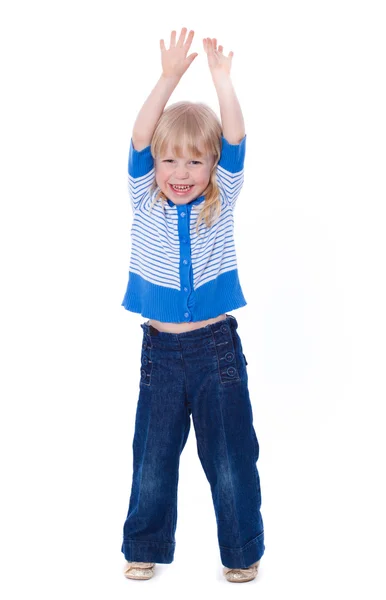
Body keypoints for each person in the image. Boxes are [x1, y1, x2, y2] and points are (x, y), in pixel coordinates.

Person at [121, 27, 265, 583]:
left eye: (195, 164)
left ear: (211, 168)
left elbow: (235, 139)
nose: (182, 175)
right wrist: (168, 78)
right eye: (171, 162)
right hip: (160, 354)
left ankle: (241, 549)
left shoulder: (221, 199)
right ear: (156, 165)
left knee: (230, 457)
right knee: (153, 458)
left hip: (216, 352)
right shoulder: (143, 196)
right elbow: (138, 137)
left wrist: (222, 81)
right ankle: (144, 544)